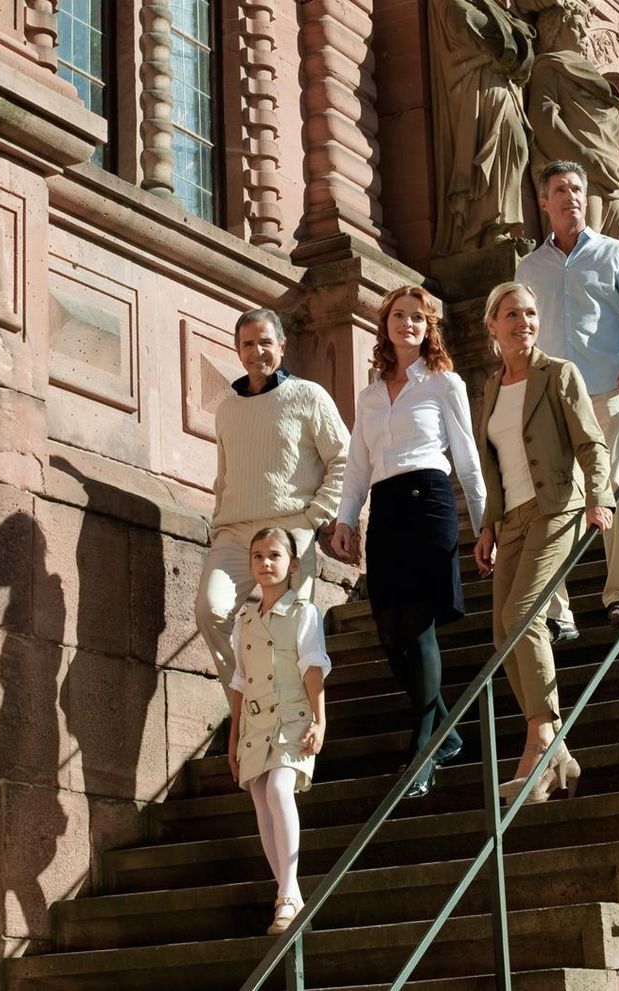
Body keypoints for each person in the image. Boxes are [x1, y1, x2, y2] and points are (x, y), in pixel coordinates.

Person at [331, 286, 486, 799]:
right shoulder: (371, 394)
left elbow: (466, 459)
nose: (407, 325)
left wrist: (485, 523)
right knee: (388, 631)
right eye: (399, 316)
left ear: (428, 328)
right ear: (386, 325)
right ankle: (447, 732)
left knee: (418, 626)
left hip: (430, 503)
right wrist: (345, 519)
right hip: (387, 509)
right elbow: (357, 466)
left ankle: (422, 749)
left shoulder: (445, 383)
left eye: (417, 318)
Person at [474, 282, 614, 802]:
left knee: (523, 615)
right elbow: (494, 464)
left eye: (530, 313)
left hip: (559, 507)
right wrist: (488, 524)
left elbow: (590, 442)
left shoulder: (559, 374)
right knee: (499, 634)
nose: (523, 323)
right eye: (511, 314)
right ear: (493, 325)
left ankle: (539, 739)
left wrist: (600, 498)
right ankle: (558, 754)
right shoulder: (490, 387)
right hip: (511, 519)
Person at [515, 160, 619, 639]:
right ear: (544, 202)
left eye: (577, 188)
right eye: (560, 189)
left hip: (611, 393)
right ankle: (559, 612)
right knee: (556, 503)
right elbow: (523, 332)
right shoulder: (528, 267)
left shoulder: (616, 255)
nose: (571, 196)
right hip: (556, 402)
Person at [195, 308, 349, 700]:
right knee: (210, 611)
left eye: (265, 342)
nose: (256, 351)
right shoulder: (228, 408)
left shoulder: (308, 396)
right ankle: (246, 707)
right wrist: (219, 522)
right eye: (248, 344)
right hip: (234, 532)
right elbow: (224, 475)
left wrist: (316, 517)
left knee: (290, 630)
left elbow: (343, 458)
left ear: (282, 345)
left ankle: (295, 717)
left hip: (289, 529)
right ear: (237, 349)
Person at [227, 527, 330, 934]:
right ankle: (289, 892)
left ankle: (287, 895)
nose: (265, 563)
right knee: (259, 798)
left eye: (273, 555)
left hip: (293, 719)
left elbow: (313, 667)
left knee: (277, 790)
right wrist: (233, 737)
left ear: (292, 564)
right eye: (257, 556)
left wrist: (320, 721)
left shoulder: (305, 613)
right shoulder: (244, 621)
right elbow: (239, 679)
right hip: (255, 723)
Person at [516, 0, 619, 244]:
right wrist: (584, 159)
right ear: (556, 28)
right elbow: (544, 119)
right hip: (581, 172)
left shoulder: (588, 73)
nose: (582, 35)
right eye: (576, 27)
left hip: (610, 175)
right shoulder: (549, 67)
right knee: (585, 240)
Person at [428, 0, 535, 256]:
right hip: (478, 87)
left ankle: (499, 227)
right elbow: (473, 29)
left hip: (501, 85)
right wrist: (510, 37)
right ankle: (482, 231)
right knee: (499, 148)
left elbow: (522, 53)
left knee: (517, 149)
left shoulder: (495, 8)